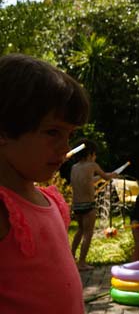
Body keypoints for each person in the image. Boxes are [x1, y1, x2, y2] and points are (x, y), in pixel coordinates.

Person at [0, 53, 89, 313]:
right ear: (3, 130)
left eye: (69, 134)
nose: (65, 147)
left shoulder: (51, 201)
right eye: (53, 132)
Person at [70, 138, 118, 270]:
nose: (95, 156)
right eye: (95, 154)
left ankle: (71, 258)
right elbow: (106, 177)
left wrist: (106, 176)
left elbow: (88, 180)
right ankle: (82, 262)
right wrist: (112, 175)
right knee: (88, 233)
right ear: (90, 153)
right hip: (89, 205)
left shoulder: (74, 168)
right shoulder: (92, 165)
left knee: (79, 231)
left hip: (76, 205)